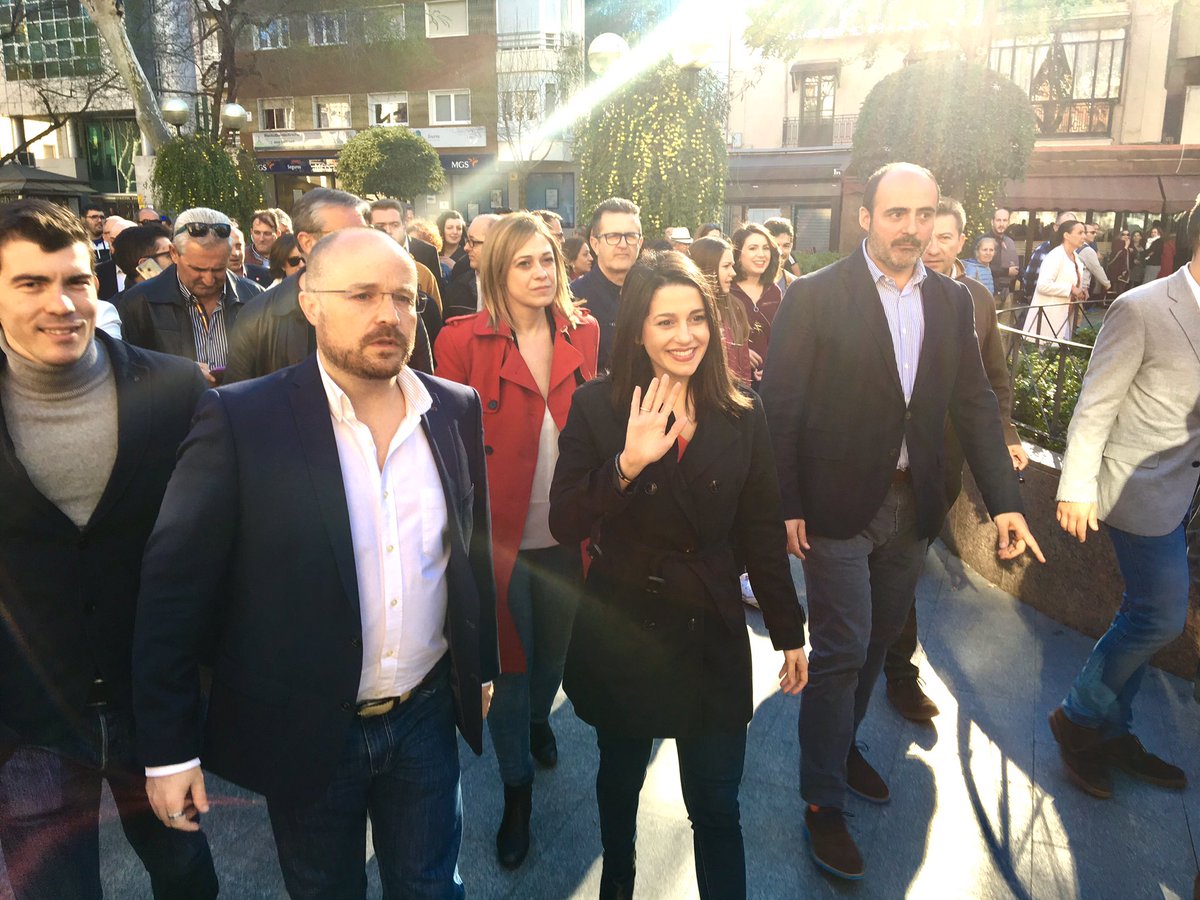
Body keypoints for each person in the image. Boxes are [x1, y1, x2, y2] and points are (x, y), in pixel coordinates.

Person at [132, 227, 499, 899]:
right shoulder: (242, 419)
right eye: (362, 295)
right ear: (310, 303)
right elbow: (172, 593)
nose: (389, 315)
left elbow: (471, 552)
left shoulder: (452, 408)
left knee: (432, 888)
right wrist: (168, 748)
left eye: (403, 298)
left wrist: (482, 666)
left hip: (422, 716)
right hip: (308, 728)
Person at [759, 163, 1043, 882]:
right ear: (866, 217)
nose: (911, 229)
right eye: (896, 214)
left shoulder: (952, 301)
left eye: (923, 215)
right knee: (843, 647)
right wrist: (786, 502)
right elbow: (782, 405)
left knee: (879, 636)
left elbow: (975, 405)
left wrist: (1006, 501)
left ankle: (843, 743)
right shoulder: (814, 295)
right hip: (833, 505)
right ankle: (822, 801)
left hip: (915, 506)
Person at [549, 250, 808, 899]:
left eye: (696, 318)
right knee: (620, 780)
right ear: (638, 329)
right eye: (666, 322)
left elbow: (761, 531)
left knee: (717, 806)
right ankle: (620, 877)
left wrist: (788, 629)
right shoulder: (597, 408)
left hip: (710, 630)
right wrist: (627, 465)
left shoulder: (744, 412)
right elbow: (563, 522)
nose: (685, 335)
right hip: (626, 628)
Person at [0, 198, 216, 899]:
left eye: (76, 282)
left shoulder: (176, 390)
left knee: (187, 879)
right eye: (31, 284)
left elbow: (212, 546)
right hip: (26, 721)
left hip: (151, 705)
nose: (61, 304)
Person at [435, 212, 598, 870]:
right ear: (496, 271)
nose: (540, 272)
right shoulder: (460, 342)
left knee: (553, 660)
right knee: (507, 667)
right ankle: (517, 792)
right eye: (524, 262)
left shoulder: (584, 330)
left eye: (548, 260)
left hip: (569, 536)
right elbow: (445, 444)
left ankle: (538, 721)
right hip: (494, 540)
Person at [1048, 198, 1200, 802]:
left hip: (1187, 493)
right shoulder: (1142, 307)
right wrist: (1077, 486)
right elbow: (1095, 403)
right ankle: (1078, 717)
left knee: (1144, 613)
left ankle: (1114, 732)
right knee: (1158, 615)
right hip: (1137, 489)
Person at [883, 197, 1028, 722]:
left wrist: (1006, 435)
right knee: (889, 575)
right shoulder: (884, 294)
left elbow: (990, 383)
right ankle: (895, 670)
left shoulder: (973, 302)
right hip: (876, 467)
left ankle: (884, 661)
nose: (932, 244)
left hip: (941, 465)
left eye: (945, 236)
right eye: (926, 232)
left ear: (961, 241)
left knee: (906, 565)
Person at [225, 188, 432, 382]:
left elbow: (420, 392)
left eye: (365, 234)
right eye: (347, 236)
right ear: (306, 242)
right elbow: (242, 405)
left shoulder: (397, 306)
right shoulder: (258, 317)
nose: (362, 246)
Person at [118, 207, 263, 385]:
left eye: (219, 269)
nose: (209, 280)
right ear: (174, 254)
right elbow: (129, 374)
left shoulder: (255, 296)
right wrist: (177, 373)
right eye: (198, 269)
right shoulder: (139, 302)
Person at [570, 197, 644, 371]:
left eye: (631, 236)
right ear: (595, 244)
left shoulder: (653, 293)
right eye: (613, 236)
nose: (623, 244)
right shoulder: (572, 298)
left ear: (640, 243)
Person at [369, 199, 445, 347]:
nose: (388, 230)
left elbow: (436, 308)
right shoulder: (358, 261)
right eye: (381, 226)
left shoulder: (426, 254)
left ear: (404, 225)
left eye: (394, 225)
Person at [690, 234, 751, 386]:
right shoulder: (687, 312)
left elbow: (743, 365)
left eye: (732, 265)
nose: (733, 272)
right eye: (726, 266)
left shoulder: (736, 308)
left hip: (733, 400)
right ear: (706, 268)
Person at [729, 223, 782, 385]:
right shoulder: (726, 290)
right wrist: (740, 351)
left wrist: (772, 367)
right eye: (753, 248)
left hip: (768, 380)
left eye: (766, 248)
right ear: (737, 254)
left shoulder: (775, 291)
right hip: (733, 382)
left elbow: (780, 338)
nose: (761, 254)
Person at [1022, 219, 1088, 340]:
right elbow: (1042, 285)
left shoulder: (1076, 257)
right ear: (1066, 235)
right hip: (1049, 316)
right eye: (1080, 233)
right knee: (1047, 353)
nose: (1084, 236)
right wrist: (1072, 289)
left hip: (1066, 315)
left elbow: (1072, 282)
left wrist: (1081, 290)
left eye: (1084, 232)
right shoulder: (1055, 256)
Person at [442, 214, 502, 320]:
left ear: (497, 244)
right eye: (467, 241)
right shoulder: (456, 290)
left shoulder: (518, 288)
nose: (466, 248)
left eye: (473, 242)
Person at [988, 207, 1020, 304]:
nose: (1001, 224)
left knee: (1004, 319)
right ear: (992, 222)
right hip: (989, 291)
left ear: (1008, 222)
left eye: (1004, 220)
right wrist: (1006, 271)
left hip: (1007, 292)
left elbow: (1015, 264)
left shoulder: (1009, 241)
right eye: (998, 220)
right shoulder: (984, 241)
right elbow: (980, 268)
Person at [763, 217, 800, 285]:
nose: (780, 252)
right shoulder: (744, 284)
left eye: (786, 246)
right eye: (775, 246)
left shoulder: (795, 285)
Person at [1078, 223, 1111, 300]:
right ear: (1083, 234)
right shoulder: (1087, 250)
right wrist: (1106, 283)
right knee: (1078, 310)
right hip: (1081, 287)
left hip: (1073, 286)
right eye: (1092, 232)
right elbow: (1096, 268)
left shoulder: (1075, 246)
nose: (1095, 234)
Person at [1106, 229, 1133, 295]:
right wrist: (1126, 247)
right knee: (1115, 290)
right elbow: (1118, 255)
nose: (1126, 236)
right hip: (1116, 270)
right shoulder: (1117, 242)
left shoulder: (1129, 243)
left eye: (1127, 234)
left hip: (1124, 270)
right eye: (1123, 234)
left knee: (1121, 290)